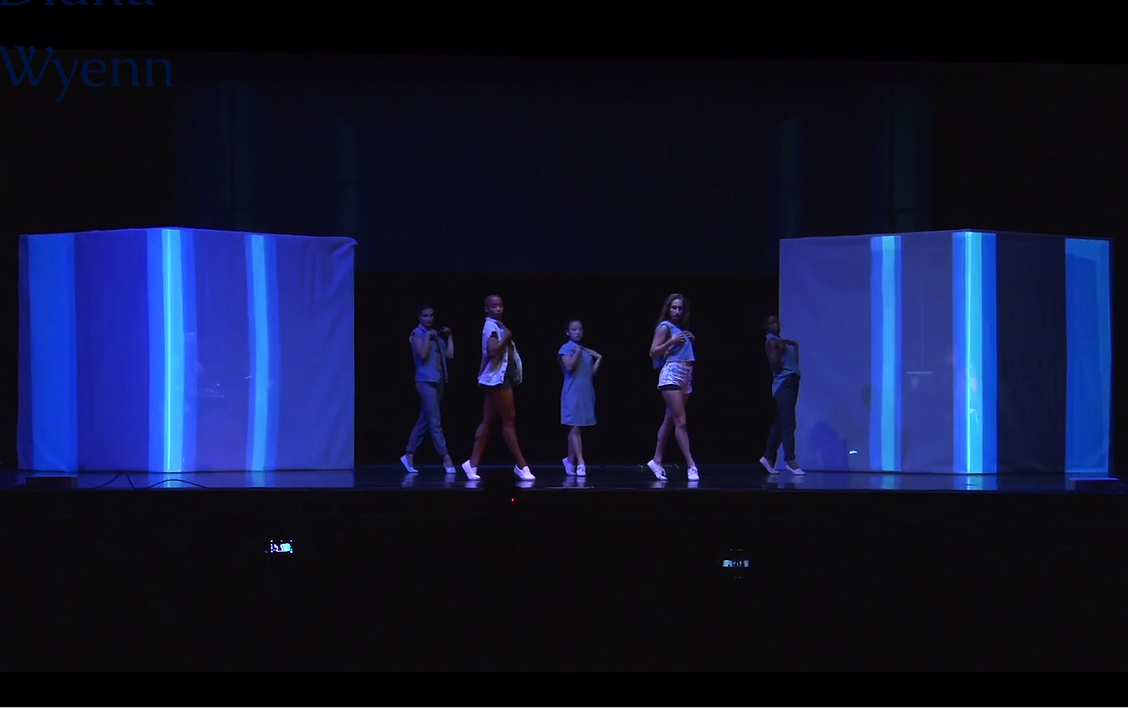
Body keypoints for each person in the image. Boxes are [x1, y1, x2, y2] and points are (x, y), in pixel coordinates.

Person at [461, 295, 535, 482]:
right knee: (508, 421)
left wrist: (481, 373)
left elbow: (489, 356)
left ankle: (472, 463)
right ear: (486, 309)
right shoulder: (491, 327)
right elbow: (492, 351)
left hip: (496, 378)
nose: (498, 309)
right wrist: (507, 338)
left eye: (500, 305)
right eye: (493, 306)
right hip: (497, 380)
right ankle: (522, 465)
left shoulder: (497, 326)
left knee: (487, 421)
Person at [646, 293, 700, 482]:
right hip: (672, 374)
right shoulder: (665, 327)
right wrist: (671, 341)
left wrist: (688, 340)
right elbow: (653, 353)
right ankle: (691, 465)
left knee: (669, 421)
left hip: (686, 375)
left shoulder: (680, 329)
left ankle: (656, 460)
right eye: (674, 307)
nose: (677, 311)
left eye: (680, 308)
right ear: (668, 309)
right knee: (680, 422)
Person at [400, 304, 457, 475]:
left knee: (425, 419)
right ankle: (446, 457)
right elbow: (423, 354)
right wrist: (427, 337)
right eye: (425, 315)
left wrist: (449, 336)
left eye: (431, 315)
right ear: (419, 317)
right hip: (425, 381)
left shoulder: (436, 335)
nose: (429, 319)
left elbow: (450, 355)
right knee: (434, 419)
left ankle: (409, 454)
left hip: (439, 381)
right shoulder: (417, 333)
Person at [759, 315, 805, 475]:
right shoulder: (772, 341)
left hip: (790, 382)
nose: (776, 325)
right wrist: (780, 350)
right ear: (766, 326)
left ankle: (767, 457)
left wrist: (791, 345)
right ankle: (790, 460)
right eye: (771, 323)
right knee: (788, 423)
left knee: (780, 422)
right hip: (784, 384)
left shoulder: (779, 340)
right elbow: (774, 365)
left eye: (776, 322)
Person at [558, 320, 602, 478]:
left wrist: (598, 359)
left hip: (585, 392)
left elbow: (589, 374)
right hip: (572, 393)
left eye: (580, 329)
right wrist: (578, 351)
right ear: (568, 332)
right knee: (575, 427)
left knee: (576, 428)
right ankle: (581, 462)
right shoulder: (566, 348)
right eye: (574, 329)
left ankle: (570, 460)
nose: (577, 332)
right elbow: (570, 367)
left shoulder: (584, 351)